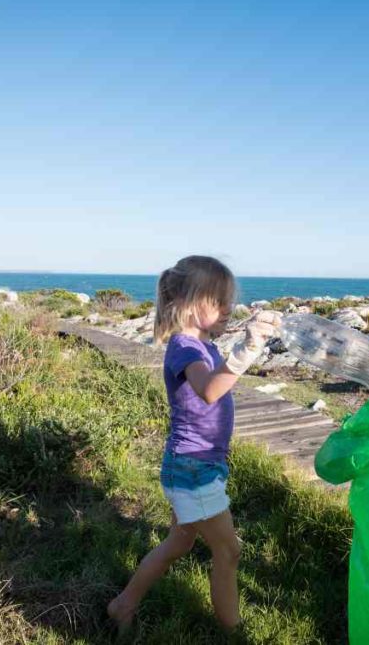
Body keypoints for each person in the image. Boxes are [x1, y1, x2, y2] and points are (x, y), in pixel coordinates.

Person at [107, 255, 281, 634]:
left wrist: (242, 340)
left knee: (179, 543)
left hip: (195, 462)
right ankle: (233, 633)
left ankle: (123, 605)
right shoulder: (184, 348)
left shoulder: (201, 345)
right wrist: (246, 351)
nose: (228, 308)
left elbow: (213, 377)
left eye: (228, 301)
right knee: (229, 550)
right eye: (218, 301)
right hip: (193, 468)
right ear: (187, 304)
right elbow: (209, 390)